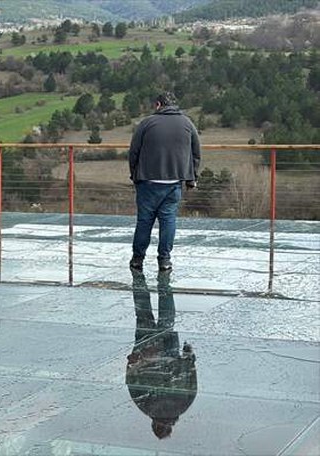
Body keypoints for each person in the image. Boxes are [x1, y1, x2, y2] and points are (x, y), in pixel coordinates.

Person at [128, 92, 200, 271]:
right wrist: (192, 178)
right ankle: (164, 260)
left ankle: (138, 259)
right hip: (173, 182)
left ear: (158, 104)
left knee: (144, 221)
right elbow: (196, 152)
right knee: (168, 221)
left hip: (147, 182)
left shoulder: (147, 123)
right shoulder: (187, 123)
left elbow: (133, 152)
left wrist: (134, 175)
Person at [126, 270, 197, 439]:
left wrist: (188, 356)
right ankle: (140, 281)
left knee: (167, 319)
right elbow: (131, 380)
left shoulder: (183, 405)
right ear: (154, 425)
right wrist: (135, 360)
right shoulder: (145, 407)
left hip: (169, 355)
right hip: (145, 355)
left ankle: (164, 284)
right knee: (143, 315)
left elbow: (191, 380)